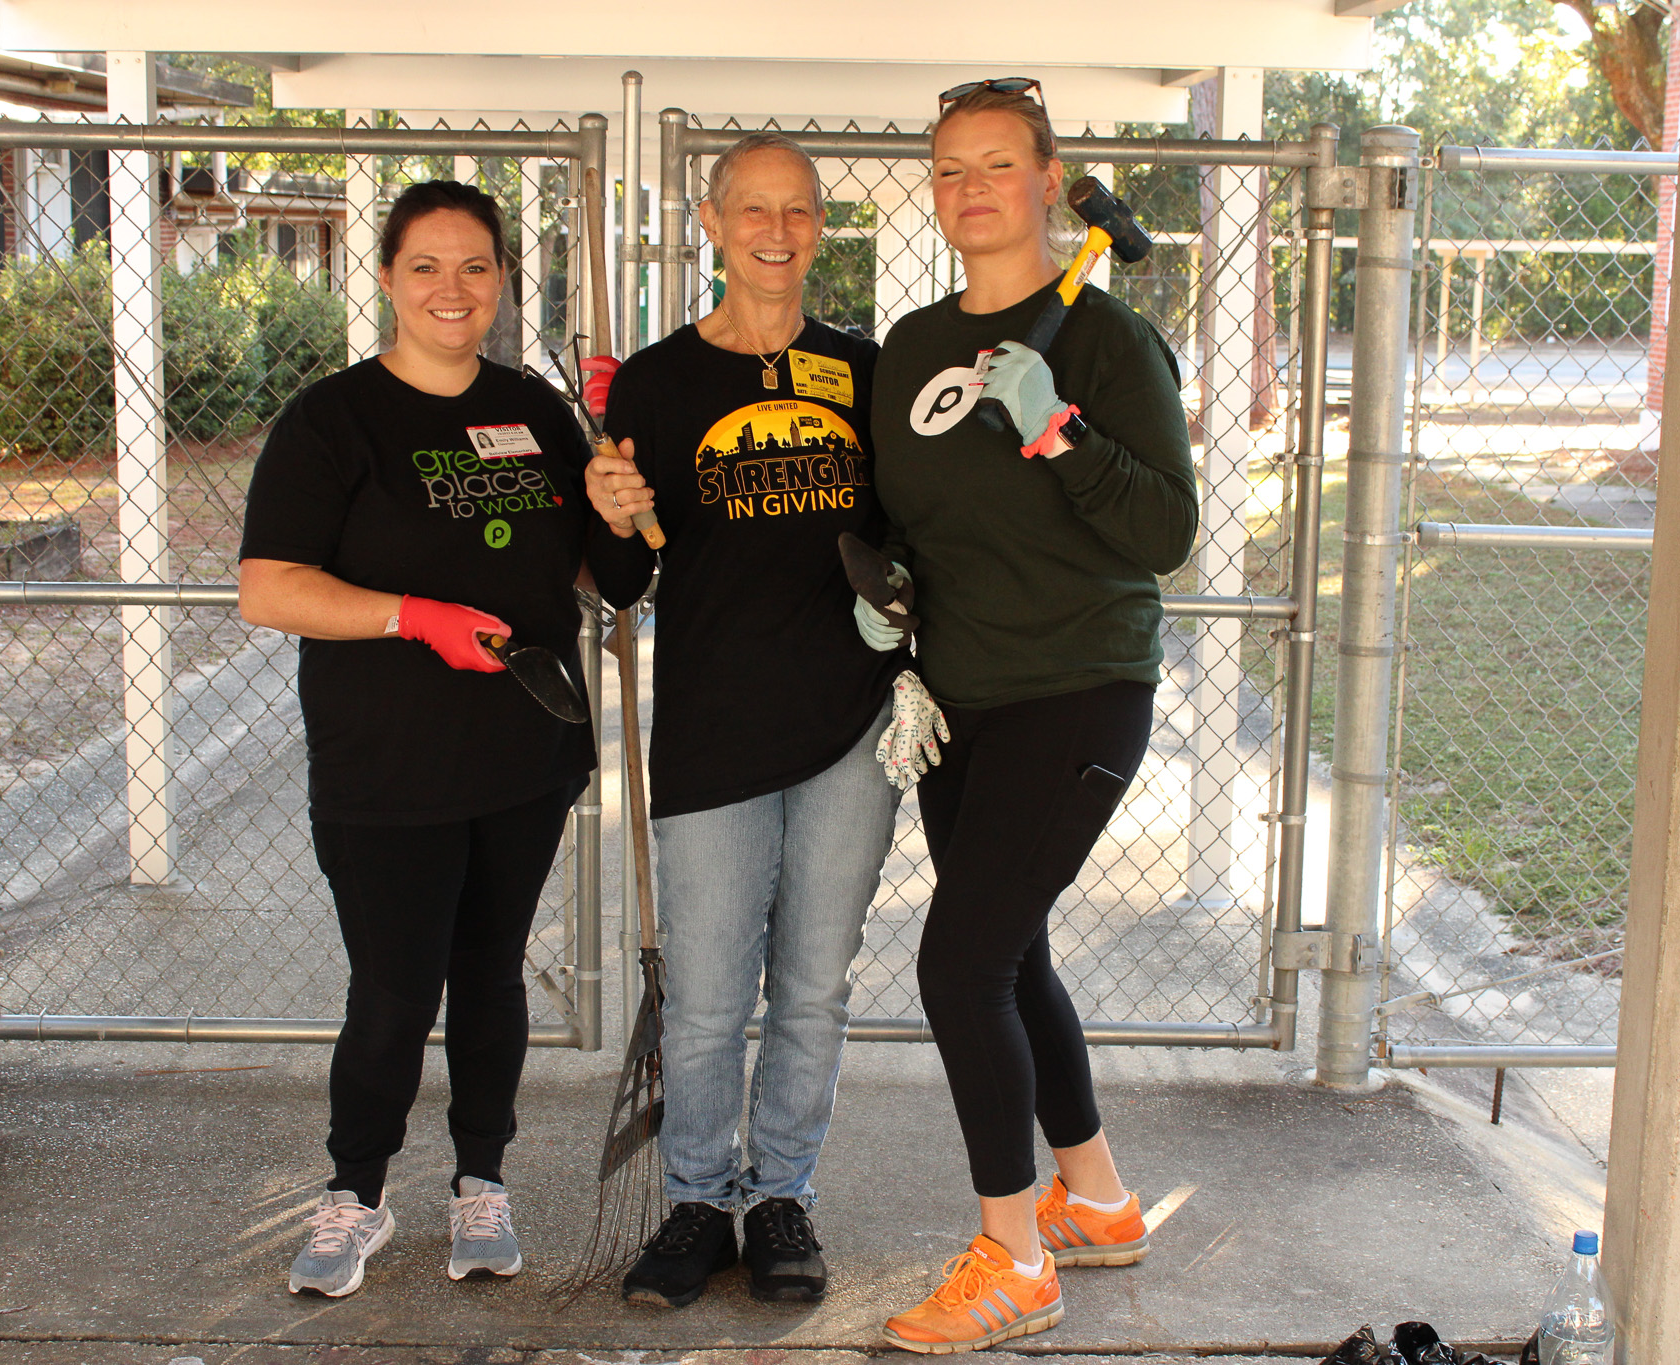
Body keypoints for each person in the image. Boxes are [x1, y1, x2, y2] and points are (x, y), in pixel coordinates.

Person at [238, 180, 629, 1298]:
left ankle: (480, 1181)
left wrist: (613, 498)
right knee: (395, 993)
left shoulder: (540, 412)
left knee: (488, 976)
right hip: (385, 764)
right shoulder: (334, 420)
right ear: (386, 278)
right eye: (425, 267)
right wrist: (414, 617)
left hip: (521, 752)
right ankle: (354, 1195)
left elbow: (587, 566)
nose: (451, 290)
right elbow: (268, 589)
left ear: (502, 279)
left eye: (473, 268)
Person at [863, 80, 1200, 1352]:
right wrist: (879, 593)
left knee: (959, 964)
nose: (969, 189)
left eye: (996, 165)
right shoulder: (906, 346)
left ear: (1050, 182)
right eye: (948, 169)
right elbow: (904, 516)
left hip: (1076, 690)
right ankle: (1099, 1201)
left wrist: (1055, 429)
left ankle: (1015, 1257)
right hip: (957, 700)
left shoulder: (1106, 343)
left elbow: (1161, 532)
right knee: (1014, 957)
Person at [585, 131, 926, 1309]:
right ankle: (694, 1201)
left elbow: (917, 540)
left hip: (850, 728)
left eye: (798, 211)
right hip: (714, 732)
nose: (775, 232)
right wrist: (612, 512)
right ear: (712, 220)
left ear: (818, 228)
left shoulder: (867, 370)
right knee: (709, 988)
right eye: (752, 210)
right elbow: (622, 583)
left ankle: (780, 1196)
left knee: (815, 982)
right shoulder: (657, 382)